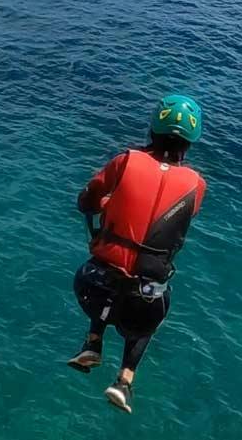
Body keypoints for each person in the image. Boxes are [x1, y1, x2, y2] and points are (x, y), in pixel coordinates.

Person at [66, 95, 207, 414]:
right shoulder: (197, 186)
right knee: (149, 311)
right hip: (144, 303)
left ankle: (93, 343)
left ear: (153, 129)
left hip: (92, 288)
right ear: (190, 142)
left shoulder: (126, 160)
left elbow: (88, 199)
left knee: (107, 275)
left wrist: (103, 206)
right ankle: (124, 381)